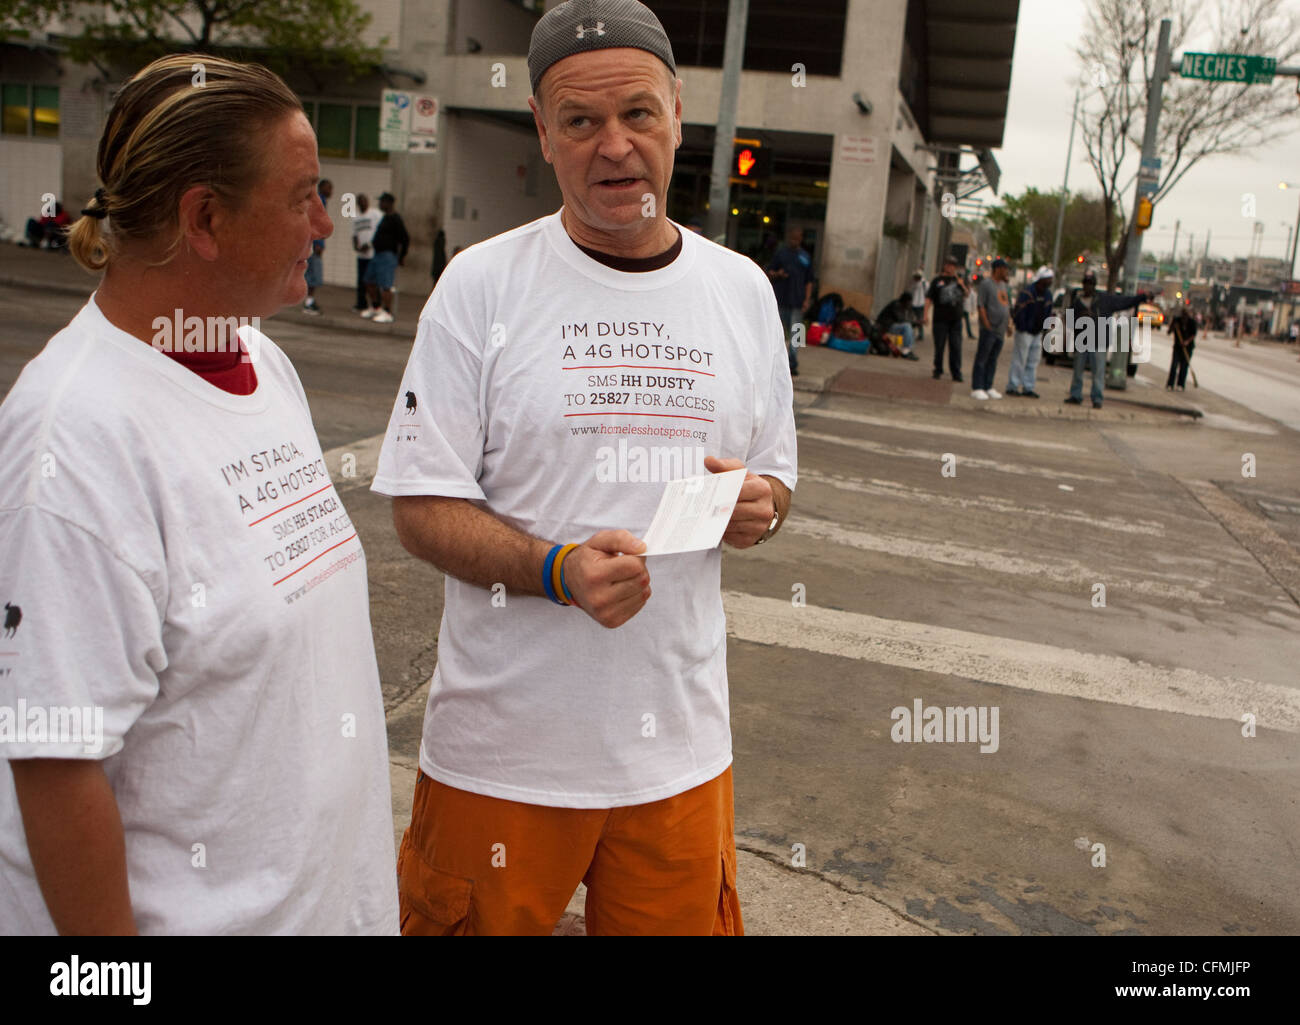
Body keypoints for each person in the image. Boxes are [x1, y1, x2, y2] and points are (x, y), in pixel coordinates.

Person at [372, 0, 796, 936]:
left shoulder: (743, 293)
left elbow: (775, 480)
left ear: (679, 112)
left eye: (637, 113)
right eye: (581, 121)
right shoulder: (482, 286)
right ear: (543, 130)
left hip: (679, 756)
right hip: (502, 757)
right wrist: (555, 571)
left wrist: (763, 505)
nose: (614, 146)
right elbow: (419, 504)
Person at [0, 54, 397, 935]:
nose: (326, 222)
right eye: (302, 198)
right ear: (204, 218)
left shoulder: (261, 360)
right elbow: (57, 766)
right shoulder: (76, 436)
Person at [1064, 270, 1149, 409]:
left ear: (1094, 285)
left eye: (1090, 284)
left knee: (1098, 372)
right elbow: (1069, 321)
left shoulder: (1104, 300)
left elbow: (1124, 302)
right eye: (1086, 283)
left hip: (1099, 342)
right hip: (1082, 342)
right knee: (1077, 371)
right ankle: (1075, 395)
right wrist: (1080, 316)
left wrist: (1141, 297)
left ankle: (1097, 398)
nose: (1088, 287)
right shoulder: (1078, 302)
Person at [766, 226, 813, 376]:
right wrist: (778, 274)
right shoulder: (781, 254)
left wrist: (807, 299)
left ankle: (793, 361)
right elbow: (770, 273)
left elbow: (809, 280)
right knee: (779, 333)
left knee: (797, 334)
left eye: (797, 238)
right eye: (792, 237)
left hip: (798, 301)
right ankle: (777, 363)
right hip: (782, 299)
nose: (794, 240)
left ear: (801, 239)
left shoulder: (805, 257)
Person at [1006, 265, 1054, 398]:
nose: (1050, 281)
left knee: (1033, 361)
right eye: (1048, 278)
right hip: (1025, 332)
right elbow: (1019, 311)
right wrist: (1022, 326)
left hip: (1037, 333)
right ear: (1042, 279)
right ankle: (1013, 385)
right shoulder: (1028, 292)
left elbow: (1048, 312)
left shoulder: (1047, 294)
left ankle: (1028, 387)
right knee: (1019, 359)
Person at [362, 192, 409, 324]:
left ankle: (387, 312)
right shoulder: (385, 218)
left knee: (386, 285)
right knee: (368, 280)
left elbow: (405, 239)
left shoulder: (396, 219)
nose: (380, 204)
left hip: (387, 255)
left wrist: (402, 256)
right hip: (377, 254)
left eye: (382, 202)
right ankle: (376, 307)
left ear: (389, 203)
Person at [971, 257, 1012, 399]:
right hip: (989, 328)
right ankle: (977, 386)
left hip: (1000, 329)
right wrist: (986, 322)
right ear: (997, 269)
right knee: (982, 357)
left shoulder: (1003, 286)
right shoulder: (986, 284)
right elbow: (981, 305)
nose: (1006, 272)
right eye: (1004, 269)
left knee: (993, 359)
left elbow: (1006, 305)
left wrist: (1008, 324)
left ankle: (988, 385)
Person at [925, 255, 968, 381]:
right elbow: (929, 298)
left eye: (953, 265)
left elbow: (966, 294)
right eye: (948, 264)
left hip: (956, 319)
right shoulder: (937, 281)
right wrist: (925, 313)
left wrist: (961, 284)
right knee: (939, 345)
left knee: (956, 346)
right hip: (940, 319)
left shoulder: (959, 280)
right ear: (945, 265)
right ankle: (938, 368)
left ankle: (956, 372)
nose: (950, 267)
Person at [302, 178, 332, 314]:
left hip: (313, 244)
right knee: (314, 274)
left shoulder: (319, 201)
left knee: (311, 273)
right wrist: (319, 243)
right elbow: (317, 223)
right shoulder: (320, 201)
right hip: (315, 245)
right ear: (322, 188)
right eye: (329, 188)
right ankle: (309, 302)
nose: (331, 191)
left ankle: (309, 301)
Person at [351, 193, 380, 313]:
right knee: (361, 281)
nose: (363, 203)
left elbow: (379, 231)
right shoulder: (355, 217)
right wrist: (356, 247)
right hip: (361, 255)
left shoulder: (375, 214)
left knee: (373, 281)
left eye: (365, 200)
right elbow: (354, 235)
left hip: (372, 254)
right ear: (358, 204)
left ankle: (376, 304)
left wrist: (370, 245)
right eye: (361, 201)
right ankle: (361, 303)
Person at [875, 290, 919, 358]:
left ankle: (905, 349)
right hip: (885, 327)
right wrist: (915, 322)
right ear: (905, 301)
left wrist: (915, 322)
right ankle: (905, 351)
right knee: (907, 326)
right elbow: (901, 319)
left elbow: (908, 319)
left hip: (890, 328)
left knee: (910, 331)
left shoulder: (903, 306)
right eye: (909, 302)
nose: (909, 304)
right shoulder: (896, 304)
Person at [1167, 306, 1197, 391]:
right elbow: (1169, 332)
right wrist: (1173, 325)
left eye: (1186, 315)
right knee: (1174, 365)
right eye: (1183, 315)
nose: (1184, 317)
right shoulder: (1177, 321)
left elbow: (1193, 335)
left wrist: (1187, 342)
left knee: (1184, 367)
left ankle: (1180, 384)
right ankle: (1170, 384)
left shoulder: (1192, 322)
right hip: (1177, 347)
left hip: (1188, 348)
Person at [909, 269, 927, 340]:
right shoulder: (913, 283)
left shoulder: (924, 283)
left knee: (920, 319)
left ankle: (920, 334)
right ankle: (911, 333)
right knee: (911, 319)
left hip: (920, 304)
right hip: (913, 303)